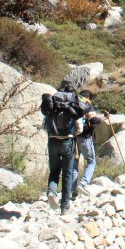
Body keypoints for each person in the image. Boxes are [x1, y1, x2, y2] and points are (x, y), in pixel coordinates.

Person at [40, 79, 86, 215]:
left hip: (52, 141)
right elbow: (79, 128)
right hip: (68, 141)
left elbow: (44, 125)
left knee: (54, 170)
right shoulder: (73, 104)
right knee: (67, 174)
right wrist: (73, 135)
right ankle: (65, 206)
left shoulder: (53, 104)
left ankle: (52, 191)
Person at [72, 93, 110, 199]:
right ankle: (83, 183)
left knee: (74, 163)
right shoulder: (87, 104)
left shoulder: (73, 104)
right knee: (91, 161)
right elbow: (94, 121)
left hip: (73, 138)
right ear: (88, 97)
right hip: (85, 138)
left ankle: (72, 190)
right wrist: (104, 118)